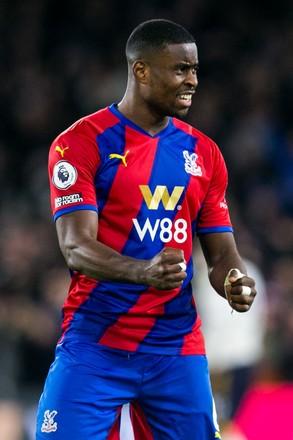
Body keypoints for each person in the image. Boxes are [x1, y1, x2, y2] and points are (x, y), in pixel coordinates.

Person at [35, 19, 257, 440]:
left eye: (194, 70)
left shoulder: (204, 154)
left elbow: (221, 251)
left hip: (175, 346)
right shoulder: (81, 143)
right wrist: (143, 271)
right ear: (141, 71)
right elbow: (76, 247)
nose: (192, 80)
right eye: (180, 70)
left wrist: (232, 279)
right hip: (97, 341)